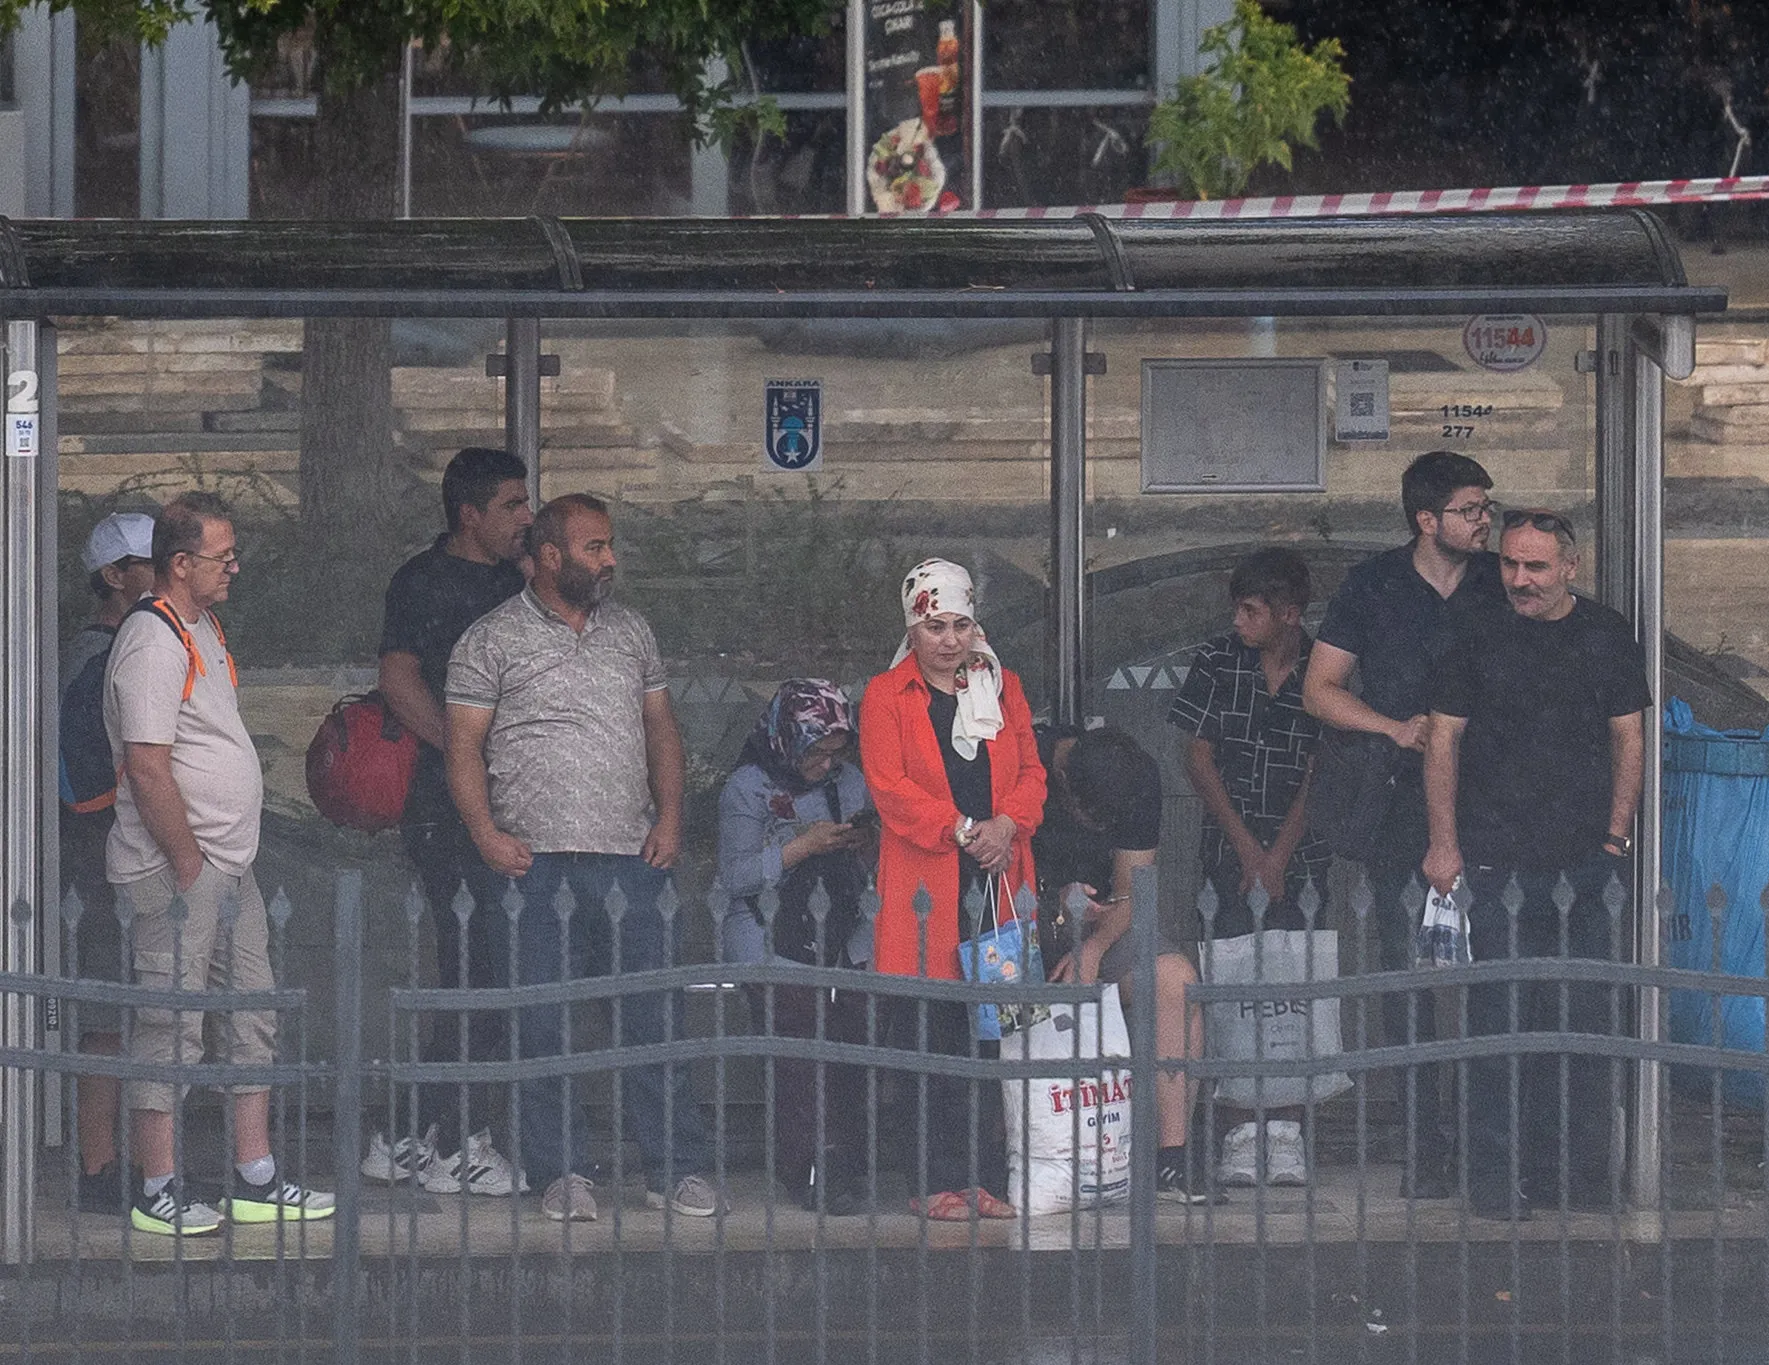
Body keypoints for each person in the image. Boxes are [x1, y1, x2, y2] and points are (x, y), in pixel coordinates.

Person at [446, 492, 717, 1222]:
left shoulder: (631, 631)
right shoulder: (491, 638)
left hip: (631, 857)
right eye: (594, 547)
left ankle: (674, 1169)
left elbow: (660, 727)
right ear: (550, 556)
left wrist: (670, 817)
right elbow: (463, 744)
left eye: (609, 545)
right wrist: (484, 833)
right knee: (544, 1025)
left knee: (653, 1018)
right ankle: (561, 1171)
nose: (610, 559)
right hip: (531, 864)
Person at [105, 492, 333, 1235]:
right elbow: (147, 766)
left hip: (227, 865)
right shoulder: (152, 641)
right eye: (222, 557)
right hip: (184, 869)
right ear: (180, 563)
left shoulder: (201, 625)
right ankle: (157, 1185)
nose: (234, 567)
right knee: (169, 1022)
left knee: (250, 1015)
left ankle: (254, 1175)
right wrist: (188, 862)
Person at [1422, 509, 1648, 1219]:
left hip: (1585, 863)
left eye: (1536, 566)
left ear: (1569, 568)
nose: (1519, 579)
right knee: (1498, 1023)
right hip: (1496, 860)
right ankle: (1493, 1178)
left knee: (1582, 1022)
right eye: (1510, 564)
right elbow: (1442, 739)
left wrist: (1615, 838)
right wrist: (1443, 843)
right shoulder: (1473, 630)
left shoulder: (1605, 634)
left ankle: (1572, 1176)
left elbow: (1629, 736)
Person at [1301, 450, 1505, 1199]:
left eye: (1486, 508)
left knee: (1494, 972)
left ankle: (1490, 1143)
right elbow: (1319, 689)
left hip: (1492, 800)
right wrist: (1391, 727)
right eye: (1469, 510)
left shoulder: (1499, 582)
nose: (1483, 521)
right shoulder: (1374, 585)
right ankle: (1426, 1145)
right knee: (1405, 977)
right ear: (1426, 519)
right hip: (1397, 803)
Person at [363, 446, 532, 1197]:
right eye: (511, 505)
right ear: (469, 514)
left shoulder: (518, 580)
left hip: (515, 798)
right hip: (444, 804)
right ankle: (456, 1138)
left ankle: (411, 1132)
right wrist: (459, 751)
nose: (526, 516)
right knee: (473, 967)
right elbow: (397, 678)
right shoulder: (421, 581)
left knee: (492, 969)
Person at [859, 557, 1045, 1221]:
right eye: (934, 626)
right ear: (912, 629)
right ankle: (933, 1180)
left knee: (996, 1037)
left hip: (998, 880)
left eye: (960, 625)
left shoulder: (1003, 685)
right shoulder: (887, 695)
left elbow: (1032, 772)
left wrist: (1006, 825)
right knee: (930, 1036)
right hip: (927, 888)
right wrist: (964, 829)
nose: (949, 639)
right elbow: (889, 788)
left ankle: (986, 1177)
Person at [1169, 546, 1328, 1188]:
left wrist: (1279, 854)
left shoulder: (1324, 667)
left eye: (1251, 610)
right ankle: (1238, 1125)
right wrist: (1247, 849)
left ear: (1289, 613)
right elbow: (1197, 758)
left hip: (1302, 851)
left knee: (1294, 984)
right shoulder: (1216, 660)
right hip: (1227, 848)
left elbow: (1322, 768)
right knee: (1229, 979)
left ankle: (1287, 1127)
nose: (1239, 621)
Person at [1035, 725, 1215, 1203]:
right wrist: (1052, 900)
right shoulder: (1027, 761)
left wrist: (1093, 948)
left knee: (1175, 981)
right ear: (1064, 784)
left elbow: (1133, 887)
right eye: (1094, 819)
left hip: (1103, 924)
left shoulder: (1136, 778)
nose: (1103, 830)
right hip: (1018, 921)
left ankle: (1172, 1159)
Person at [716, 678, 875, 1214]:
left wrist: (861, 841)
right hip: (770, 935)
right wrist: (801, 847)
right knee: (799, 1054)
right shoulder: (748, 788)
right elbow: (734, 876)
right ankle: (806, 1169)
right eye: (815, 753)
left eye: (836, 753)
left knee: (853, 1044)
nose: (826, 765)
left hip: (843, 930)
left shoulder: (850, 782)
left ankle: (846, 1162)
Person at [60, 511, 157, 1211]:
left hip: (126, 849)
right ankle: (99, 1164)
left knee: (139, 1010)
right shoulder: (98, 655)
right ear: (114, 575)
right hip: (101, 854)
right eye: (151, 561)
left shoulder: (135, 643)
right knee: (106, 1011)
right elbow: (81, 779)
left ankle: (143, 1164)